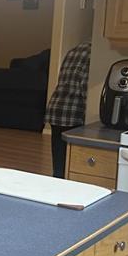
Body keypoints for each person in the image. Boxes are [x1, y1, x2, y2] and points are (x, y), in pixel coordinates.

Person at [45, 41, 91, 178]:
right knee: (72, 163)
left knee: (59, 162)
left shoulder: (74, 49)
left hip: (57, 107)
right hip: (73, 111)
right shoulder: (92, 55)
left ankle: (57, 186)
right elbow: (86, 87)